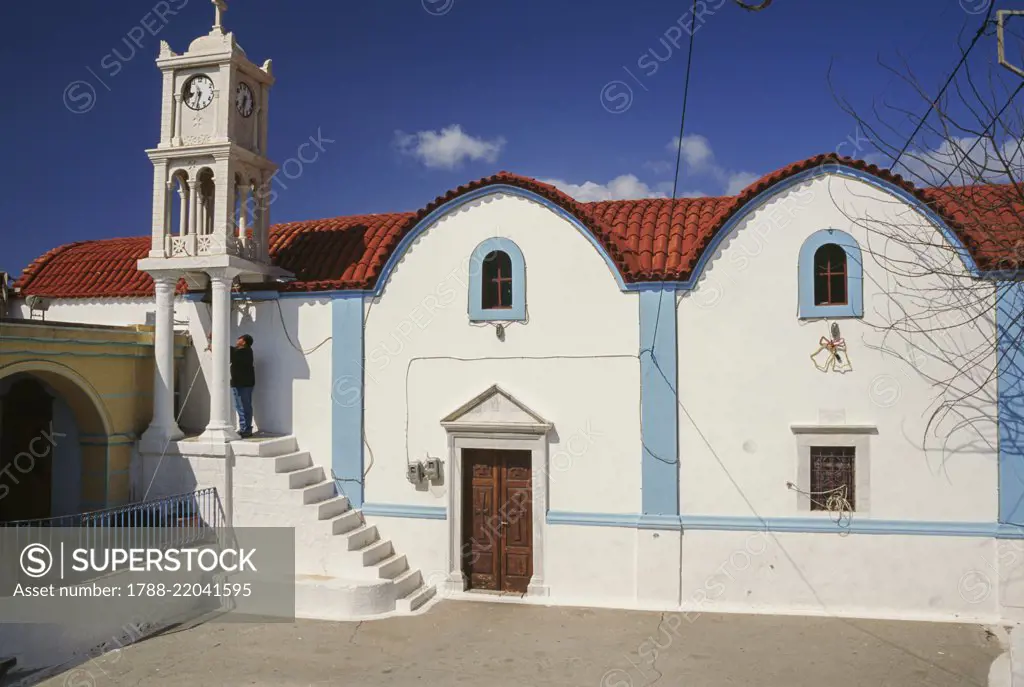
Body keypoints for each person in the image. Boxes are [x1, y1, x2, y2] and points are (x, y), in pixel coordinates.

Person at [209, 333, 256, 437]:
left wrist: (215, 340)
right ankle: (245, 428)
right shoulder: (242, 351)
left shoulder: (244, 352)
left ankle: (245, 429)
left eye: (240, 338)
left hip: (243, 384)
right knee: (242, 406)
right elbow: (227, 352)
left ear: (244, 342)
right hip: (240, 383)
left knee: (243, 406)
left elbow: (226, 352)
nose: (237, 339)